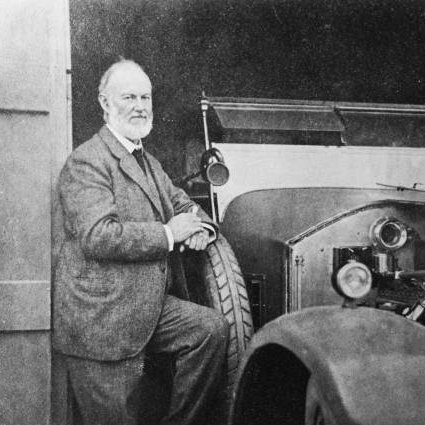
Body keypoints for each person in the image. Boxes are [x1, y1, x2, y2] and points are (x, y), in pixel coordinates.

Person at [53, 59, 229, 425]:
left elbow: (184, 204)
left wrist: (200, 228)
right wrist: (170, 234)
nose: (139, 107)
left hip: (145, 305)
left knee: (209, 331)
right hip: (103, 320)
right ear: (105, 103)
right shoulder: (86, 162)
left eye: (145, 98)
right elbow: (99, 235)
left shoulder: (147, 161)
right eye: (128, 97)